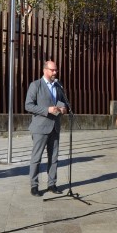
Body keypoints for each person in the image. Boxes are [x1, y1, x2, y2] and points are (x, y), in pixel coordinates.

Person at [25, 61, 68, 197]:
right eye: (52, 70)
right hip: (40, 128)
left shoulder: (58, 85)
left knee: (54, 158)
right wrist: (46, 109)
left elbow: (65, 102)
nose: (55, 73)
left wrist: (64, 108)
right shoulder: (35, 85)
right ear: (45, 70)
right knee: (36, 158)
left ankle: (52, 184)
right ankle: (34, 186)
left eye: (56, 70)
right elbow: (28, 106)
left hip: (55, 127)